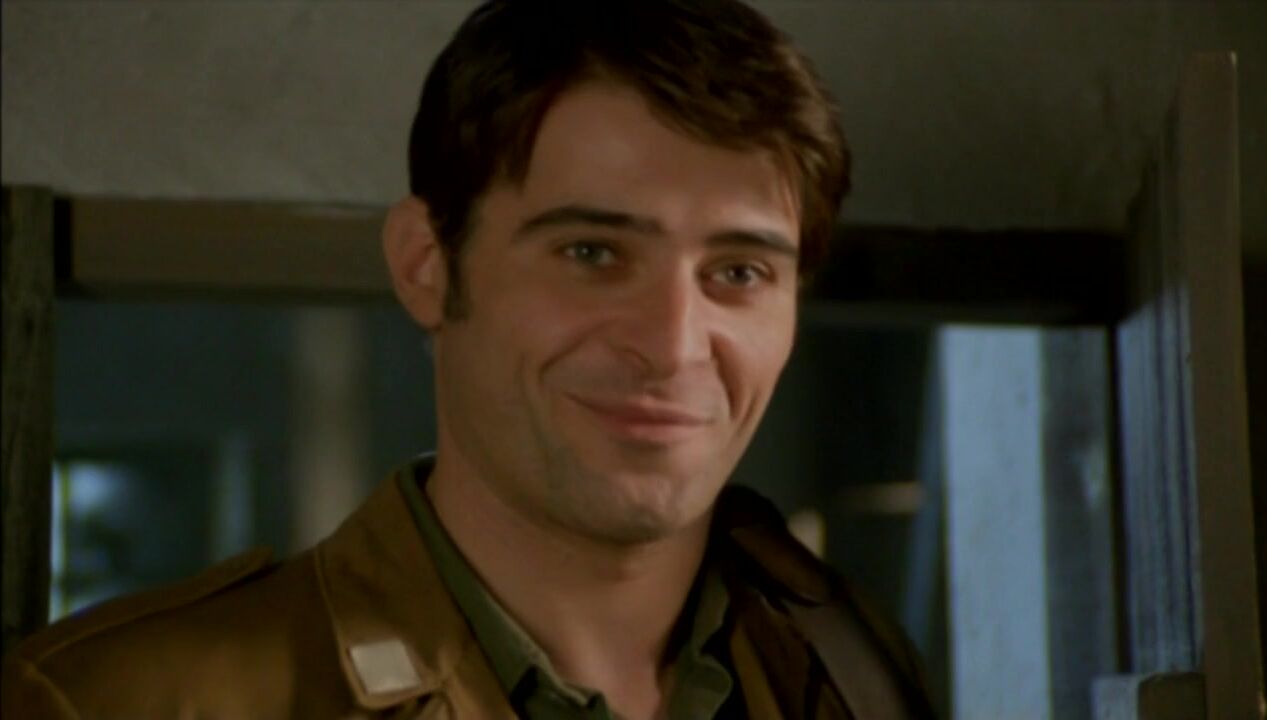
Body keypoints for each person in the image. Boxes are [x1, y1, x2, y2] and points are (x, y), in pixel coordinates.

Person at [2, 1, 933, 717]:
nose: (673, 343)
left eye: (737, 272)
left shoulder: (847, 672)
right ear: (426, 265)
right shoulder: (119, 703)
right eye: (592, 254)